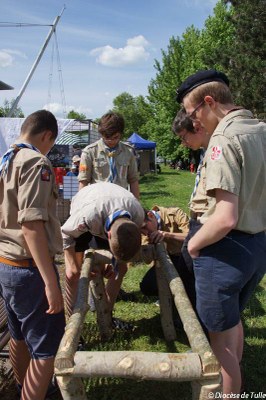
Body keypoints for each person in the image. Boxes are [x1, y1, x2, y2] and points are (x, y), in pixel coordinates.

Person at [175, 69, 266, 395]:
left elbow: (224, 217)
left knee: (221, 352)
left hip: (224, 249)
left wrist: (194, 245)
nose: (192, 121)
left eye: (190, 112)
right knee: (231, 327)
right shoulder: (260, 129)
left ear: (209, 102)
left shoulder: (223, 141)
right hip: (255, 246)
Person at [0, 110, 65, 400]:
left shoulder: (6, 160)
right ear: (47, 135)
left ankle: (20, 387)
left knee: (18, 336)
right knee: (46, 350)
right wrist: (51, 282)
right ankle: (34, 392)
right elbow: (31, 226)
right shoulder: (37, 162)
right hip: (28, 268)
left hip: (5, 262)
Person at [61, 182, 144, 330]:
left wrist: (114, 263)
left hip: (111, 213)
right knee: (74, 274)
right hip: (86, 205)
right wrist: (72, 265)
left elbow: (125, 242)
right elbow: (65, 233)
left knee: (121, 268)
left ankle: (107, 317)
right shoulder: (87, 216)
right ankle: (71, 325)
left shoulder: (138, 214)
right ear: (108, 235)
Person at [77, 112, 140, 301]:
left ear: (121, 134)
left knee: (121, 260)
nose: (111, 141)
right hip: (98, 212)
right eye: (107, 137)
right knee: (96, 259)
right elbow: (83, 183)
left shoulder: (128, 152)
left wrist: (137, 208)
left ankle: (111, 299)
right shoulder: (90, 152)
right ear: (101, 134)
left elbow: (133, 182)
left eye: (115, 137)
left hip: (120, 212)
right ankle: (95, 299)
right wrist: (82, 209)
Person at [140, 206, 196, 307]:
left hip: (188, 257)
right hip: (168, 260)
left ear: (150, 215)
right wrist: (149, 244)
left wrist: (166, 235)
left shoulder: (175, 213)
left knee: (190, 287)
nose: (144, 232)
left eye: (144, 227)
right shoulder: (144, 230)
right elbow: (147, 260)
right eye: (141, 230)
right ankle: (168, 295)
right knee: (147, 286)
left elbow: (192, 237)